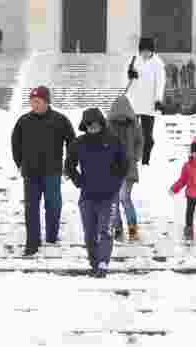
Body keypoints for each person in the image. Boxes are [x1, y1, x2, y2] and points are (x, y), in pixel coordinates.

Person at [11, 86, 76, 255]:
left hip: (52, 171)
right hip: (31, 172)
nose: (34, 105)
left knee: (53, 205)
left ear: (46, 102)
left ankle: (52, 235)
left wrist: (69, 164)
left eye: (38, 102)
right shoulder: (23, 121)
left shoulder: (60, 120)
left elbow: (72, 143)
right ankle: (32, 241)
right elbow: (15, 144)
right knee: (31, 207)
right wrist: (20, 163)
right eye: (32, 102)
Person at [66, 108, 128, 278]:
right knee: (89, 233)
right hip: (87, 195)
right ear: (84, 126)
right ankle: (94, 262)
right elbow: (69, 165)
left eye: (95, 125)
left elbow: (124, 165)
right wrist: (79, 181)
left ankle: (103, 264)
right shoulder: (78, 143)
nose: (92, 128)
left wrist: (114, 184)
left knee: (105, 231)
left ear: (101, 123)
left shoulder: (113, 141)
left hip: (109, 196)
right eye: (88, 125)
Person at [104, 94, 144, 242]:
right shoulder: (108, 126)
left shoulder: (134, 125)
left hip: (129, 167)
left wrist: (135, 156)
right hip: (113, 168)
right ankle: (117, 227)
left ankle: (132, 228)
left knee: (124, 197)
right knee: (114, 199)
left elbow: (140, 142)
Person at [126, 37, 166, 166]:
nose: (145, 53)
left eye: (148, 51)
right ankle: (132, 159)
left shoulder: (157, 63)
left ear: (152, 51)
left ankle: (145, 160)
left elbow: (160, 83)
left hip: (149, 104)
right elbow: (126, 81)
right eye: (143, 50)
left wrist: (158, 99)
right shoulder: (134, 60)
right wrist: (129, 75)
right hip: (134, 102)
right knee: (131, 133)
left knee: (147, 135)